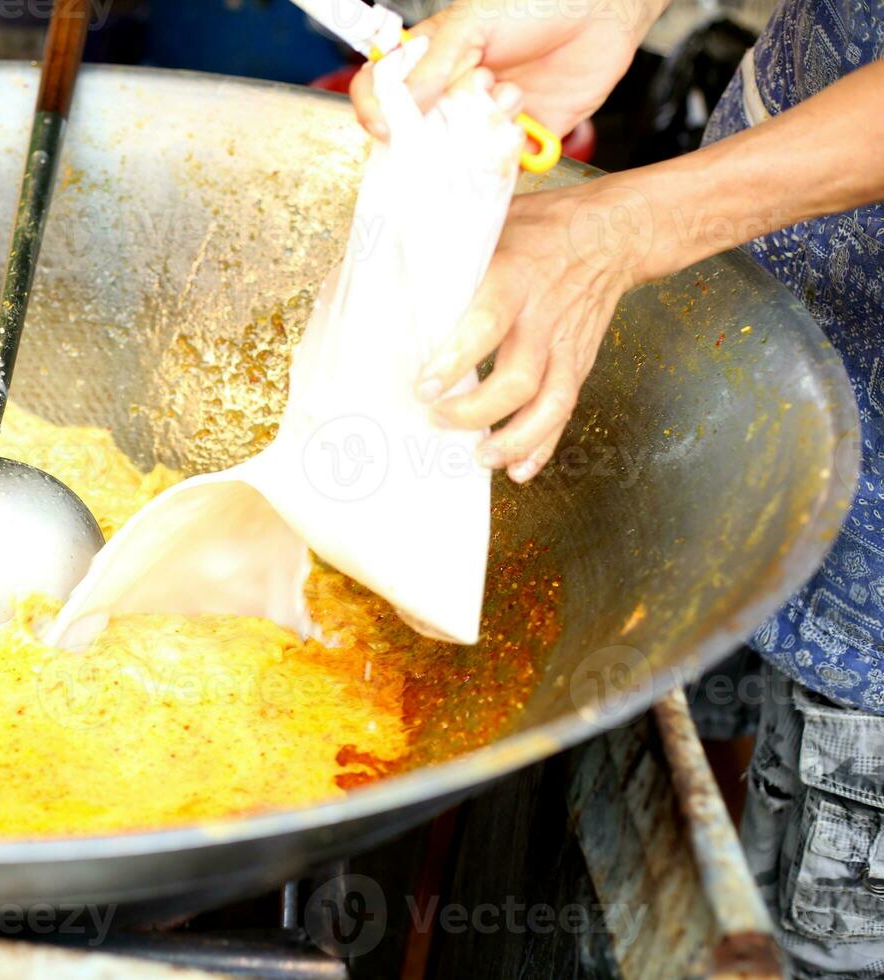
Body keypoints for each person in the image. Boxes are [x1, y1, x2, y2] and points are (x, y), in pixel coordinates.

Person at [348, 0, 884, 975]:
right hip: (739, 301)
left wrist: (630, 228)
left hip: (876, 592)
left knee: (785, 941)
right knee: (675, 782)